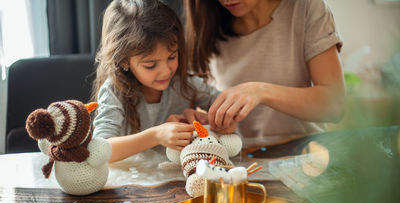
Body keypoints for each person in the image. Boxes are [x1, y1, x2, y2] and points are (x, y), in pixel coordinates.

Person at [184, 0, 345, 147]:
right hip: (240, 160)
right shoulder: (207, 21)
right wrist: (202, 119)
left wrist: (260, 91)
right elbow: (205, 102)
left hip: (306, 156)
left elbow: (334, 106)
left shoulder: (306, 8)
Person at [92, 0, 219, 163]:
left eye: (172, 57)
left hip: (177, 179)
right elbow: (100, 151)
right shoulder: (114, 91)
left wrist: (214, 120)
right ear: (124, 61)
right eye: (150, 65)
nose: (166, 71)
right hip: (130, 182)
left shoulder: (184, 83)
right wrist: (156, 135)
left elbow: (223, 105)